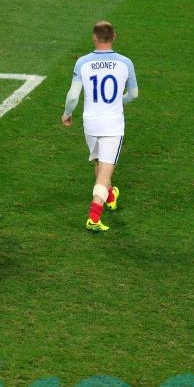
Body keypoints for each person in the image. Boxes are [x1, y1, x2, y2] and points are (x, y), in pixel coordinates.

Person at [61, 21, 138, 232]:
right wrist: (119, 100)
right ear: (114, 37)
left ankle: (110, 196)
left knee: (99, 162)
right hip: (112, 125)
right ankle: (93, 217)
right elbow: (133, 94)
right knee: (104, 175)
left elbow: (73, 96)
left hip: (91, 123)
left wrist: (67, 114)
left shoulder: (82, 63)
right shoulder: (125, 63)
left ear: (94, 37)